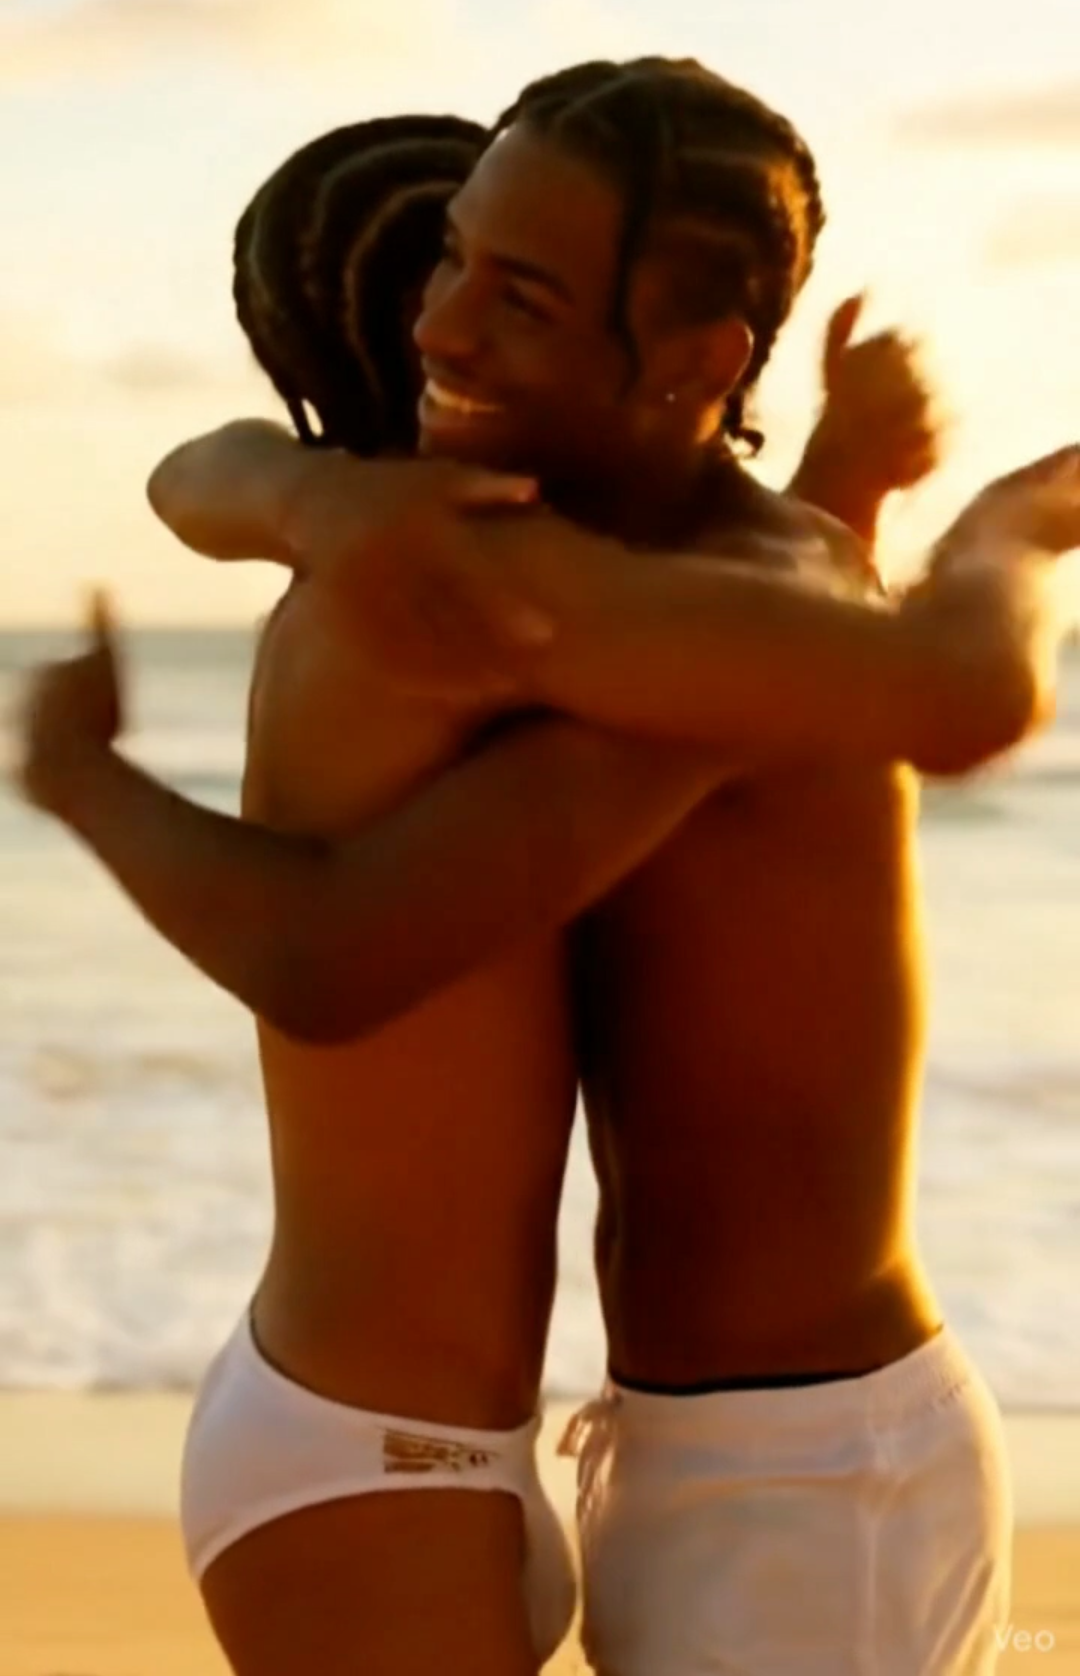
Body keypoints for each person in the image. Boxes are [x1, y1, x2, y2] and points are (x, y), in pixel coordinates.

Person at [20, 60, 1077, 1676]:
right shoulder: (485, 602)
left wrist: (283, 499)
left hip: (659, 1456)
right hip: (549, 1456)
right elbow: (860, 671)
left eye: (516, 294)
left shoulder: (466, 591)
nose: (452, 329)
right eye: (452, 269)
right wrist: (989, 537)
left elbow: (767, 672)